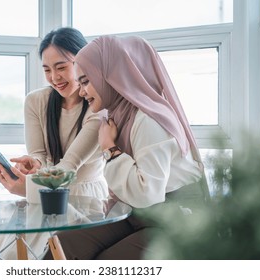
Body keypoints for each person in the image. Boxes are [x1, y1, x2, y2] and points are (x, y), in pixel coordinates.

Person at [43, 35, 210, 260]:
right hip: (138, 214)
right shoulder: (118, 115)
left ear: (111, 77)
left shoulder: (148, 120)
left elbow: (146, 193)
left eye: (85, 81)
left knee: (106, 263)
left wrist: (111, 150)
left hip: (176, 222)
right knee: (62, 246)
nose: (81, 92)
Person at [0, 27, 108, 260]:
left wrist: (27, 188)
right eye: (47, 70)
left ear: (84, 62)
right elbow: (39, 154)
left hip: (84, 201)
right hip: (46, 193)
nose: (54, 77)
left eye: (61, 67)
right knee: (9, 252)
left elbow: (69, 167)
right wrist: (34, 165)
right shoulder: (36, 101)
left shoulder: (97, 106)